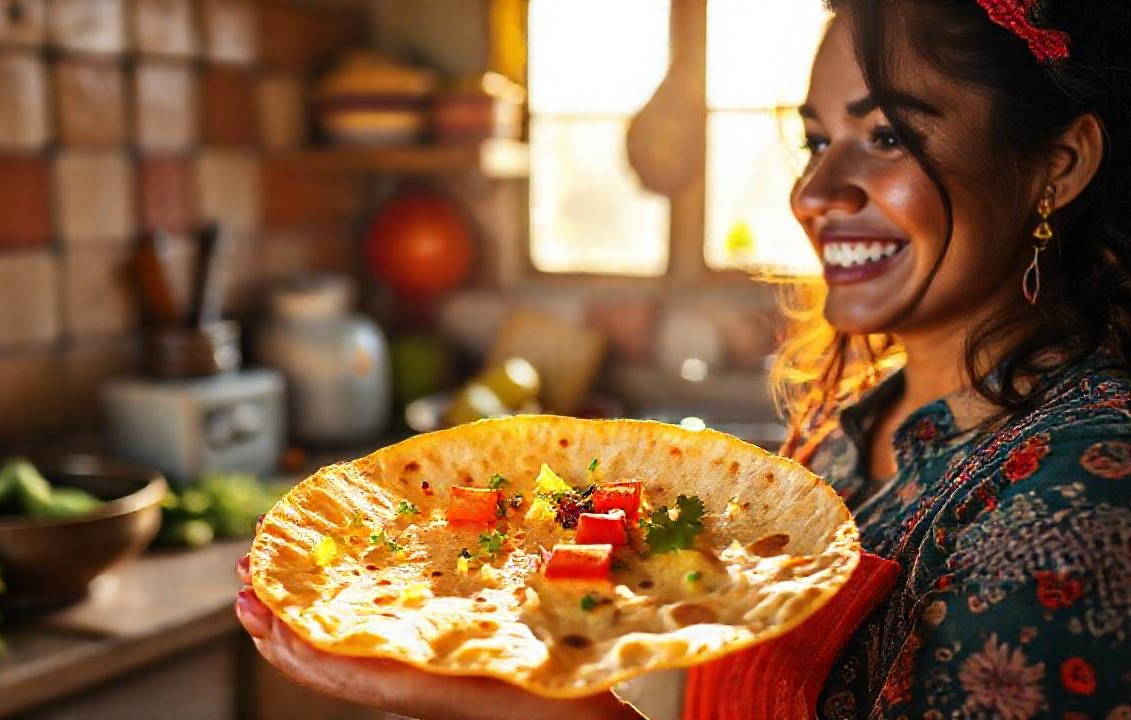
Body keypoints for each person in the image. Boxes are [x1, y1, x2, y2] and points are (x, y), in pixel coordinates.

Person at [237, 1, 1131, 717]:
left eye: (888, 135)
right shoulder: (850, 426)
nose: (813, 193)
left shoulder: (1084, 495)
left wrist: (542, 716)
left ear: (1060, 162)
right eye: (818, 141)